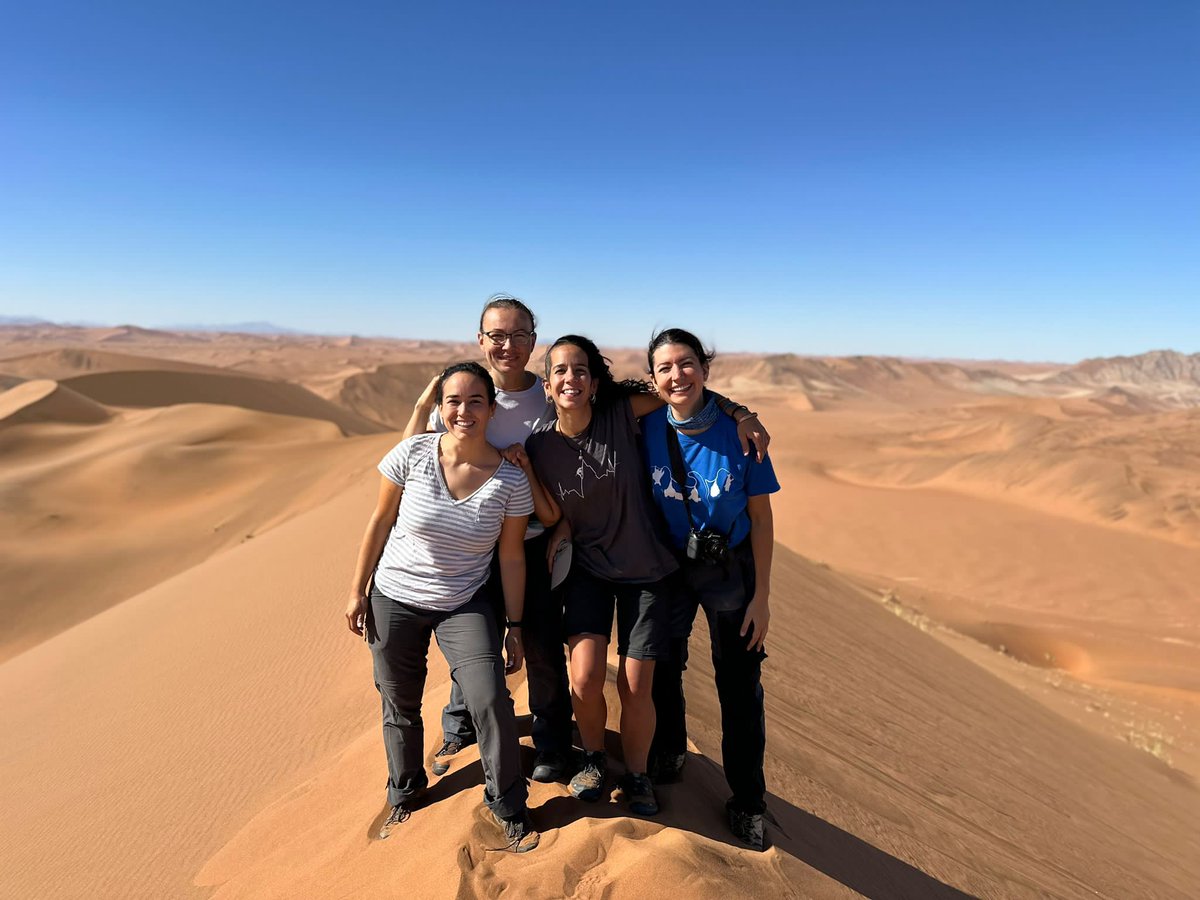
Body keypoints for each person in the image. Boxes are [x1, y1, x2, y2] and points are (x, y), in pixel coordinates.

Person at [525, 335, 768, 818]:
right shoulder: (539, 445)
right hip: (590, 571)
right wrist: (562, 520)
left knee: (641, 683)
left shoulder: (625, 413)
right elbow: (556, 507)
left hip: (652, 570)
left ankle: (641, 774)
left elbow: (683, 393)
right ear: (546, 386)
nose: (570, 379)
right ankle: (594, 759)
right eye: (559, 372)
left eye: (580, 371)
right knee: (586, 675)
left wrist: (742, 412)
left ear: (595, 381)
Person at [344, 361, 546, 853]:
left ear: (491, 409)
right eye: (453, 401)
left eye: (476, 401)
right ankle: (406, 789)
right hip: (394, 596)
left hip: (464, 602)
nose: (464, 411)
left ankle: (508, 805)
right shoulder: (411, 453)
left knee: (489, 698)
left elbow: (512, 556)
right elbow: (379, 519)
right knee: (399, 701)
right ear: (440, 407)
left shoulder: (509, 479)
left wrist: (514, 625)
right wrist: (358, 588)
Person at [403, 293, 575, 785]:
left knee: (540, 645)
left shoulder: (548, 396)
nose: (508, 345)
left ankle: (551, 745)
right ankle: (459, 731)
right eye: (497, 336)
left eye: (519, 335)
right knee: (474, 646)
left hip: (533, 543)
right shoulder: (463, 395)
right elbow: (410, 455)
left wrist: (735, 413)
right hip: (471, 545)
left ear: (533, 342)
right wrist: (421, 404)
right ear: (480, 340)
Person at [642, 328, 779, 851]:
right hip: (669, 568)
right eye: (665, 368)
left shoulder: (741, 436)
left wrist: (762, 597)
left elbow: (763, 519)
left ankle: (748, 801)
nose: (677, 375)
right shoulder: (646, 424)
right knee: (661, 664)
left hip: (731, 571)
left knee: (740, 686)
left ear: (704, 367)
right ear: (653, 378)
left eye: (687, 363)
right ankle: (670, 750)